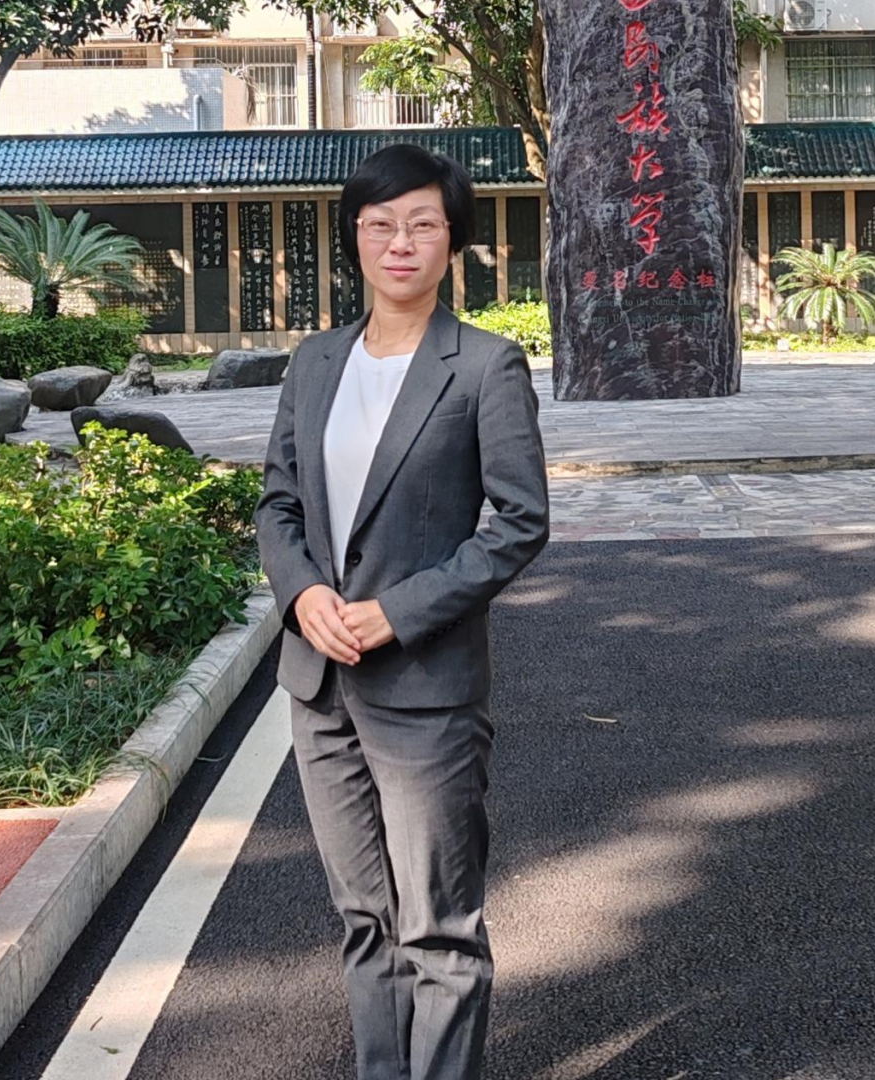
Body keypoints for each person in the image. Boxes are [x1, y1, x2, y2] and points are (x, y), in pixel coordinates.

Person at [254, 143, 550, 1080]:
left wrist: (397, 611)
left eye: (423, 224)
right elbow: (278, 503)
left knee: (439, 929)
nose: (400, 242)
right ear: (355, 237)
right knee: (364, 920)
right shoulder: (316, 361)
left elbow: (520, 522)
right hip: (320, 685)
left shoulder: (485, 367)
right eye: (380, 224)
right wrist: (304, 593)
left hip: (424, 688)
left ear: (452, 241)